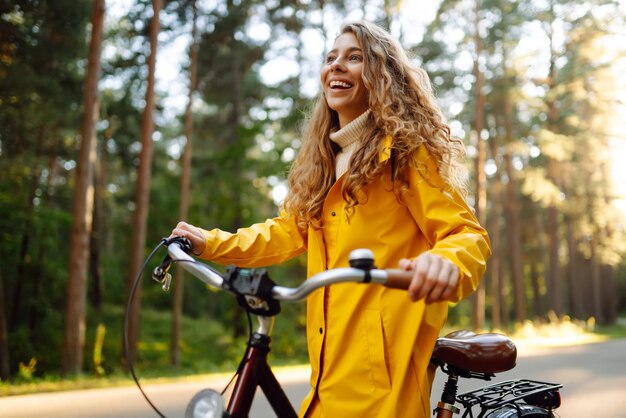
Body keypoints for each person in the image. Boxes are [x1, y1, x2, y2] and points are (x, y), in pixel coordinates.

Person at [171, 20, 490, 418]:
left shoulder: (406, 153)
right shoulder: (324, 162)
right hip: (329, 372)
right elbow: (287, 231)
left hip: (383, 375)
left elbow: (466, 233)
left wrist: (445, 261)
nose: (337, 65)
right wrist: (209, 242)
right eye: (331, 57)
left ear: (382, 75)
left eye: (354, 58)